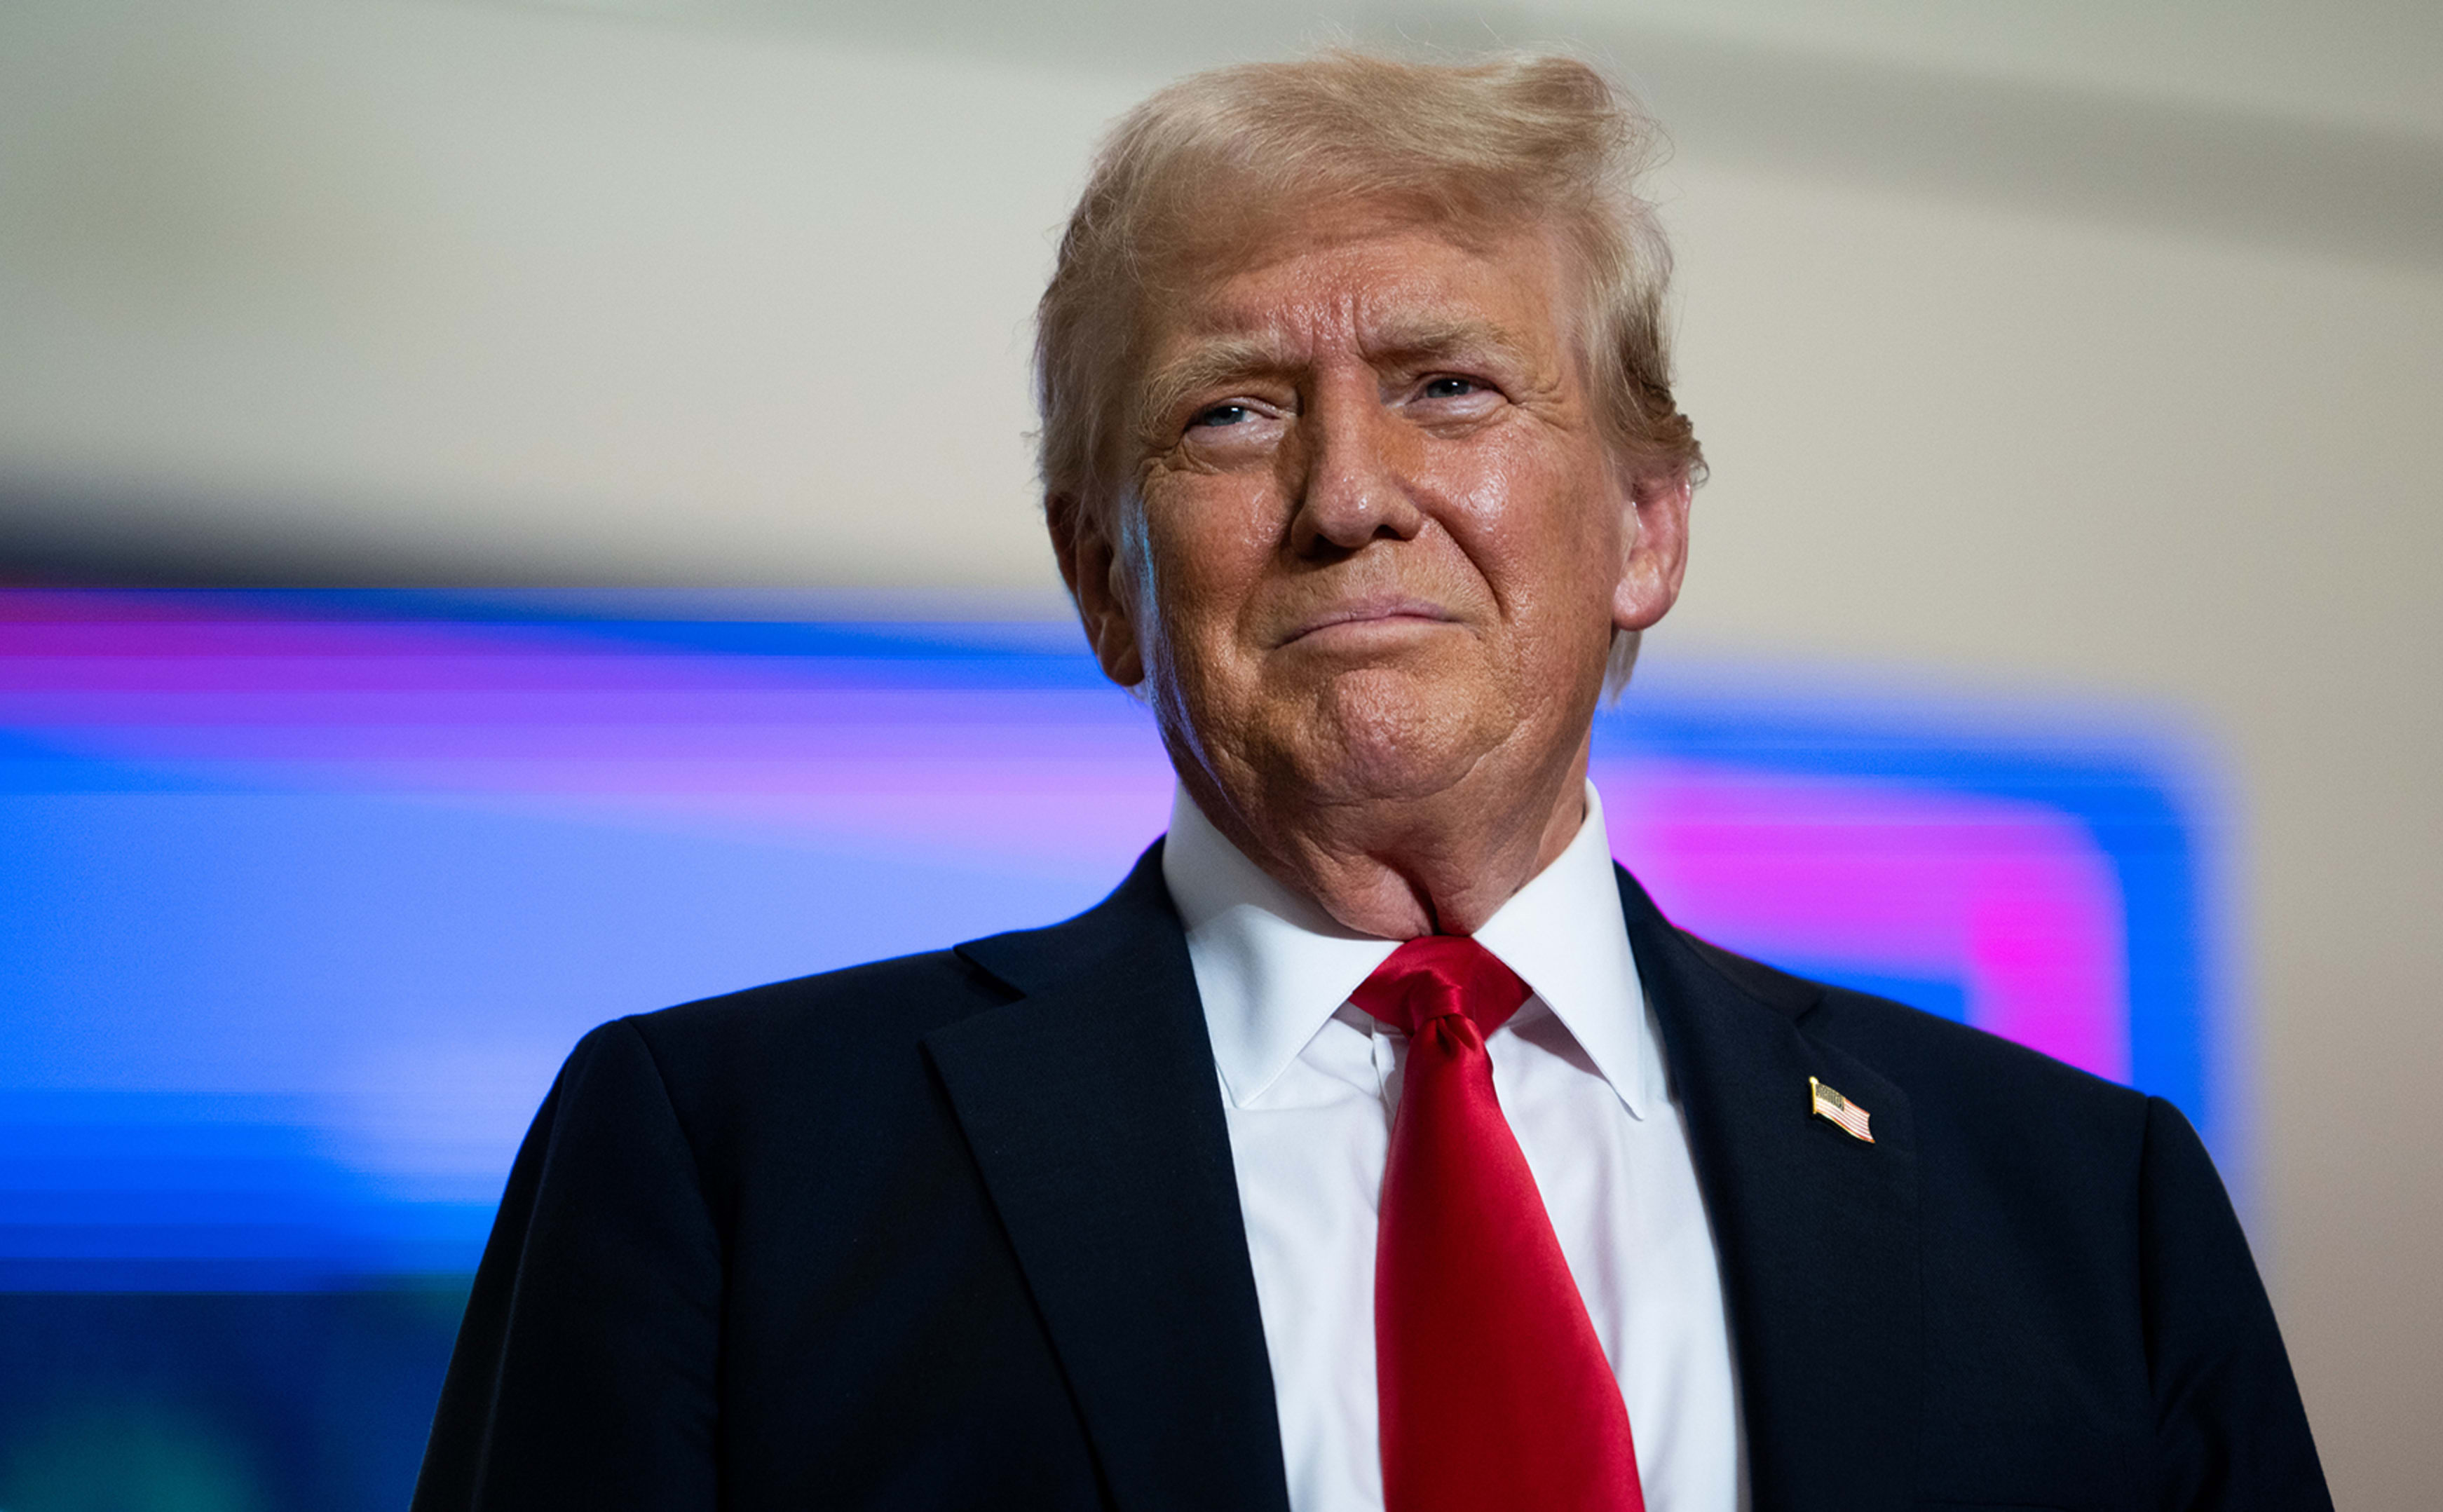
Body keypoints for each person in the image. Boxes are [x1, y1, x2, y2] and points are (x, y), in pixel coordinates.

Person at [411, 51, 2330, 1512]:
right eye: (1234, 411)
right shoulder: (731, 1166)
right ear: (1106, 575)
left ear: (1647, 526)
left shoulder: (2088, 1213)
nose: (1347, 496)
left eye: (1450, 385)